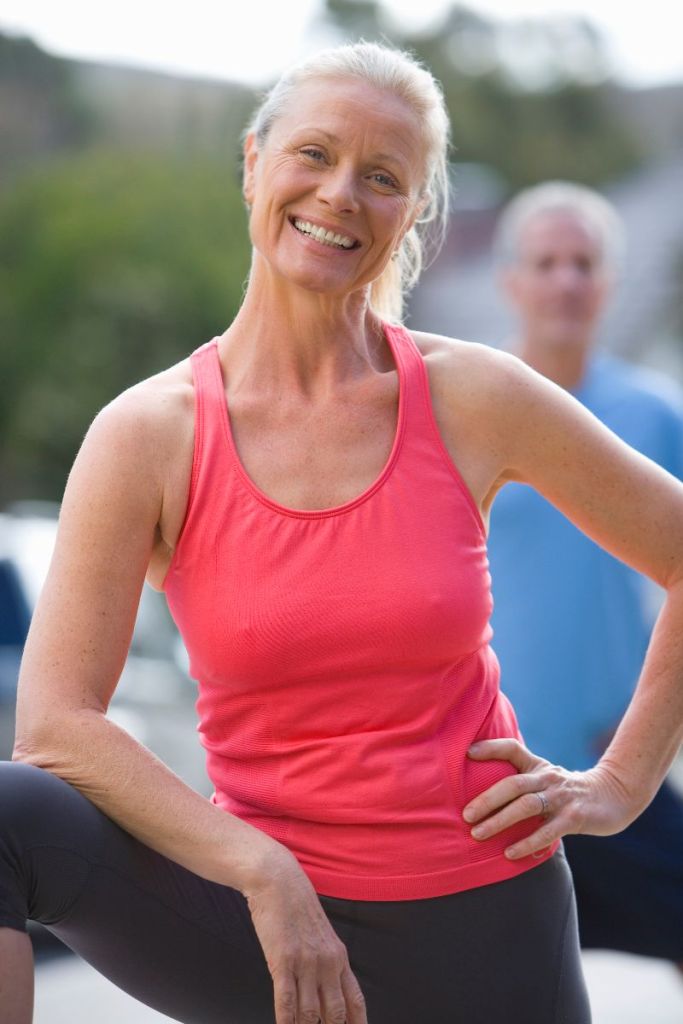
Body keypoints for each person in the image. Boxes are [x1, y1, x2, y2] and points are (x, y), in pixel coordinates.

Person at [1, 44, 682, 1024]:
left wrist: (619, 783)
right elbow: (56, 722)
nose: (339, 194)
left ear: (413, 213)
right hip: (265, 927)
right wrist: (261, 868)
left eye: (381, 176)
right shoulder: (148, 435)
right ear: (252, 164)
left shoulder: (473, 395)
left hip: (482, 922)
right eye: (313, 154)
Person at [486, 180, 683, 963]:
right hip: (487, 780)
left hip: (613, 772)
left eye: (583, 264)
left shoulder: (654, 415)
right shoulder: (461, 405)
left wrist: (650, 731)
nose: (565, 281)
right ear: (511, 281)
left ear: (606, 283)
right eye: (546, 262)